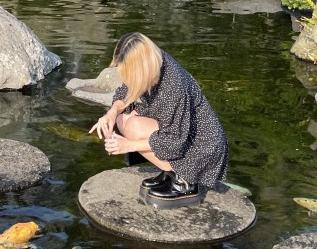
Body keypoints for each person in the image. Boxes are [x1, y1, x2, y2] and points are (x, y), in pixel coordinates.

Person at [89, 31, 228, 202]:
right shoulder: (151, 62)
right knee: (121, 118)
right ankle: (169, 172)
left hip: (201, 147)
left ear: (141, 67)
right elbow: (125, 92)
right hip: (177, 132)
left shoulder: (174, 84)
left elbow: (174, 142)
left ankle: (186, 182)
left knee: (133, 127)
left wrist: (128, 146)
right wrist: (110, 113)